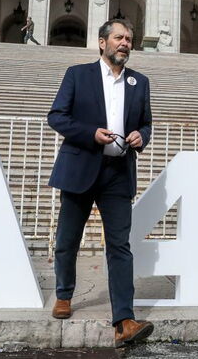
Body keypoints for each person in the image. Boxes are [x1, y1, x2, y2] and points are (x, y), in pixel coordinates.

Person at [47, 19, 154, 349]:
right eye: (119, 38)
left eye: (129, 40)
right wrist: (91, 134)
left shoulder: (140, 82)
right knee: (68, 239)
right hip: (81, 166)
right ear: (102, 42)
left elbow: (147, 123)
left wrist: (141, 136)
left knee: (120, 247)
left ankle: (124, 319)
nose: (125, 43)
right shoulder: (77, 75)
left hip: (118, 173)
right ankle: (64, 294)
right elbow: (57, 116)